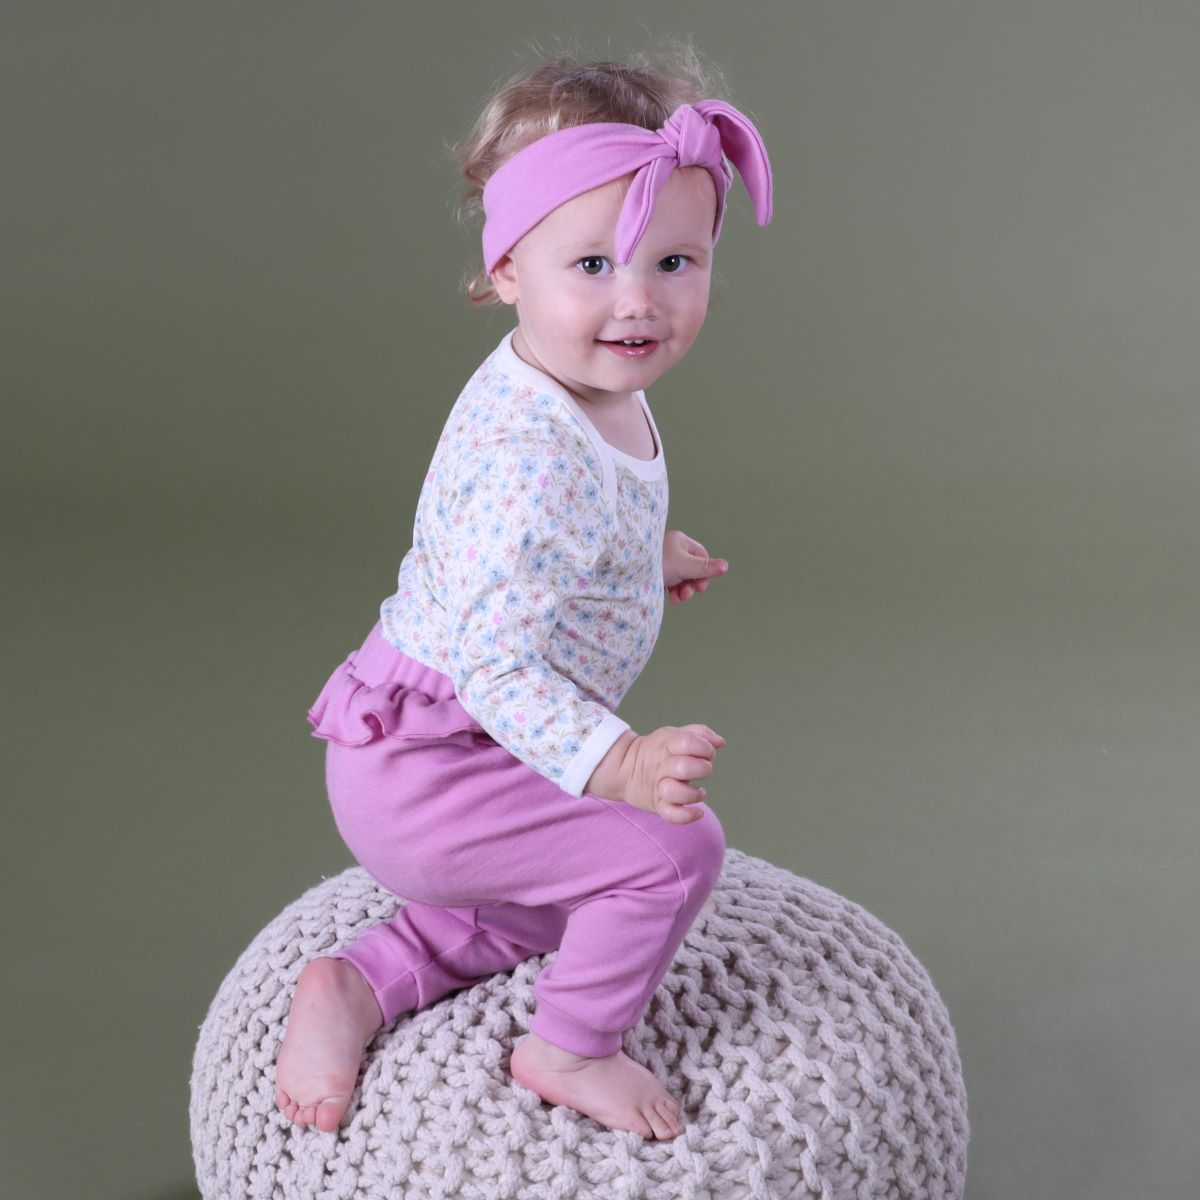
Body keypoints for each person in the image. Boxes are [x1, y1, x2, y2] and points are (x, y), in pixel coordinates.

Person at [274, 47, 773, 1142]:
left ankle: (362, 981)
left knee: (565, 900)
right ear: (507, 268)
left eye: (676, 261)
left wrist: (638, 555)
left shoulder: (581, 374)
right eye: (591, 264)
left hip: (465, 742)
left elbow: (539, 551)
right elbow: (495, 660)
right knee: (673, 855)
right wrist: (619, 763)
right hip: (433, 768)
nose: (638, 300)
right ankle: (569, 1047)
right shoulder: (530, 456)